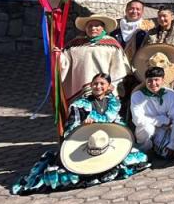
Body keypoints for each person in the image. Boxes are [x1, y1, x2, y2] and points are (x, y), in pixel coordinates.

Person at [11, 73, 150, 194]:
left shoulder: (113, 102)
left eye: (102, 84)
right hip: (86, 142)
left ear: (108, 86)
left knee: (138, 159)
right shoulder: (80, 105)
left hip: (107, 142)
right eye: (95, 84)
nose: (98, 87)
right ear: (91, 85)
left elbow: (119, 122)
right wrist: (83, 125)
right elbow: (70, 128)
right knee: (71, 174)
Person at [58, 15, 130, 102]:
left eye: (97, 25)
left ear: (103, 28)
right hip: (79, 85)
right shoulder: (74, 45)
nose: (93, 28)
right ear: (85, 28)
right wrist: (57, 54)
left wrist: (113, 84)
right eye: (90, 26)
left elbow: (119, 68)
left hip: (103, 87)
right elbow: (64, 62)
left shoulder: (112, 45)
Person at [130, 66, 174, 159]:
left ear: (163, 80)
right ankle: (144, 152)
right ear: (145, 81)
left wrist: (172, 144)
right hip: (146, 129)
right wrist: (162, 120)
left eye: (156, 80)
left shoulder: (170, 94)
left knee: (168, 153)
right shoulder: (137, 96)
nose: (153, 83)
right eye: (149, 80)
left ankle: (158, 148)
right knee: (147, 128)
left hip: (164, 130)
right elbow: (138, 120)